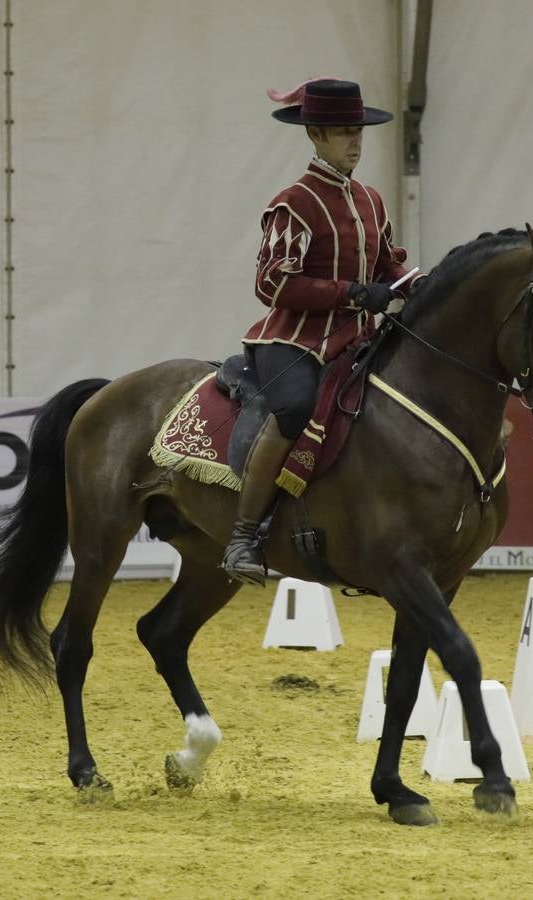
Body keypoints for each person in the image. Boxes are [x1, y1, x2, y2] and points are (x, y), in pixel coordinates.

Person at [222, 78, 419, 585]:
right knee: (292, 409)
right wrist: (352, 293)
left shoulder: (371, 200)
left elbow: (389, 266)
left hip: (356, 340)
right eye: (342, 132)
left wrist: (425, 286)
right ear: (314, 134)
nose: (355, 141)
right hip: (293, 341)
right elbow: (272, 283)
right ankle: (244, 535)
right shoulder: (295, 202)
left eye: (358, 131)